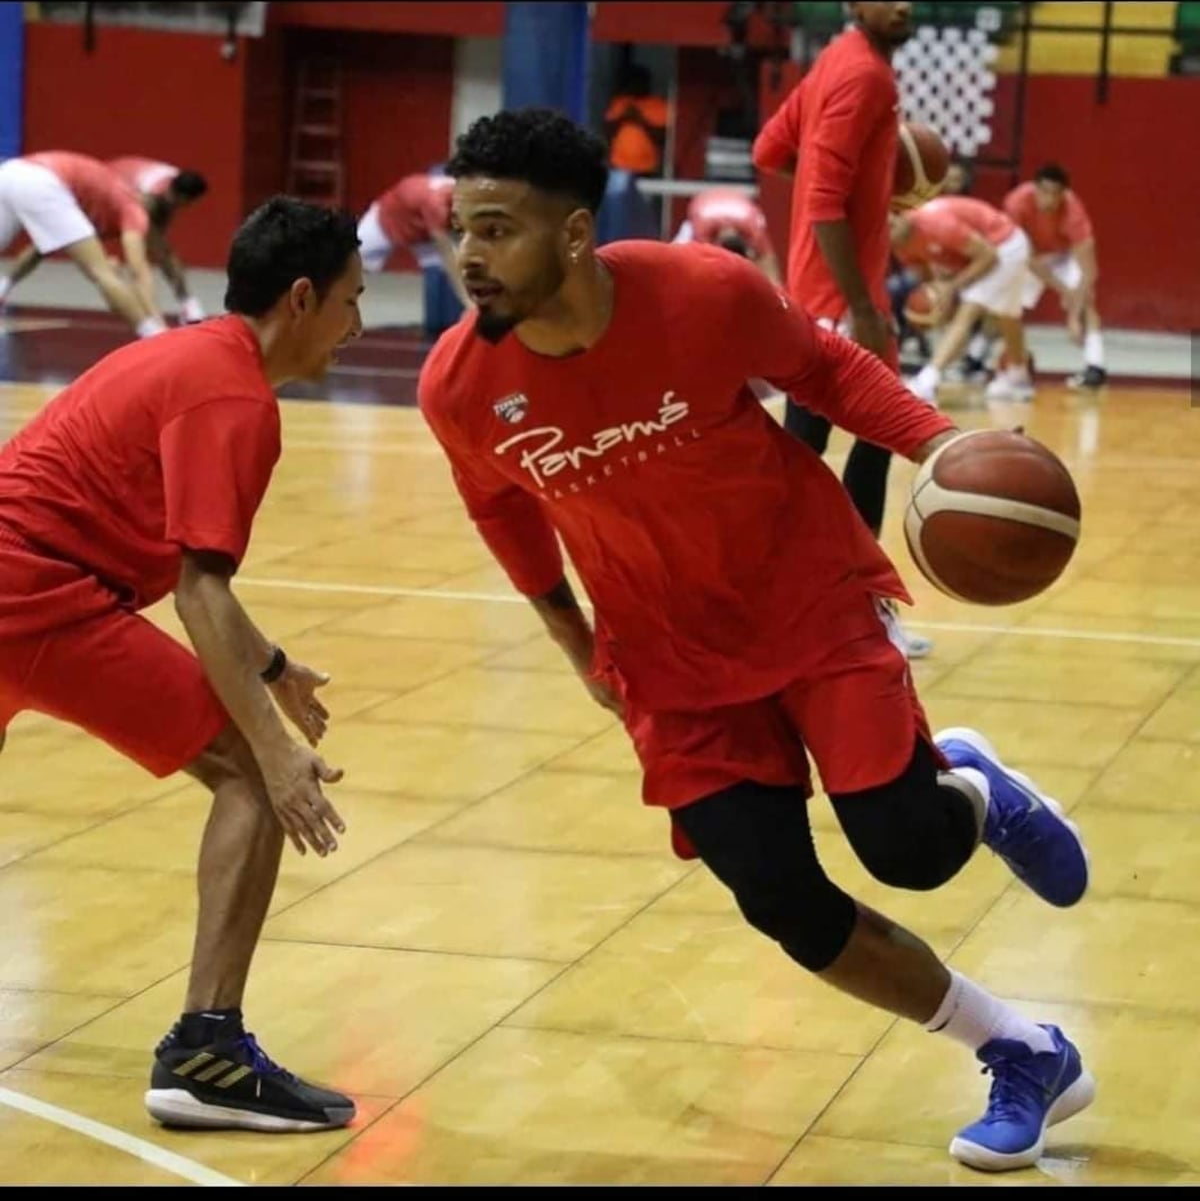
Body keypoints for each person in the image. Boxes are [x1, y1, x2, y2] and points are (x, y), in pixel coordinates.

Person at [417, 107, 1094, 1174]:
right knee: (783, 900)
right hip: (670, 663)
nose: (469, 255)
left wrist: (943, 444)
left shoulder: (701, 291)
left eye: (497, 229)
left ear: (577, 231)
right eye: (460, 227)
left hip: (805, 601)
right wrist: (572, 641)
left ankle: (970, 785)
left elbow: (827, 373)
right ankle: (1019, 1046)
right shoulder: (458, 386)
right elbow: (502, 512)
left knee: (908, 849)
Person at [0, 195, 362, 1133]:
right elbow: (199, 588)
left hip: (23, 578)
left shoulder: (194, 355)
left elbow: (191, 574)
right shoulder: (236, 397)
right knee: (247, 771)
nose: (357, 326)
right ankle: (207, 1052)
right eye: (351, 301)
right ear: (299, 297)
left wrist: (273, 665)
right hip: (34, 595)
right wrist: (275, 748)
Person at [752, 2, 931, 659]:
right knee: (877, 441)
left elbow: (769, 150)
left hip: (812, 294)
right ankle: (863, 611)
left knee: (799, 457)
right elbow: (824, 199)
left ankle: (775, 600)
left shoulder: (834, 59)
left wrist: (854, 192)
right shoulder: (865, 77)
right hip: (839, 300)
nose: (903, 4)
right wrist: (860, 305)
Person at [0, 150, 166, 338]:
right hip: (43, 180)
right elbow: (138, 271)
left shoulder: (108, 194)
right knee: (102, 273)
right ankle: (153, 335)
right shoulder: (136, 212)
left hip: (10, 172)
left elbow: (40, 248)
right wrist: (157, 318)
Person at [891, 196, 1034, 403]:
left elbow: (988, 255)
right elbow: (928, 278)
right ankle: (1018, 379)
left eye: (895, 217)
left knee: (967, 313)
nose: (892, 224)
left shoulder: (936, 224)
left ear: (905, 214)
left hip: (1005, 245)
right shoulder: (899, 244)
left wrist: (951, 289)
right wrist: (936, 299)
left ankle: (927, 381)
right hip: (991, 251)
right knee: (1008, 316)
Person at [1004, 164, 1106, 390]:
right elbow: (1027, 259)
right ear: (1034, 189)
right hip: (1030, 259)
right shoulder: (1016, 203)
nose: (1049, 199)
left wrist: (1073, 314)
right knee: (1004, 303)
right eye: (1044, 192)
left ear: (1064, 194)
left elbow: (1090, 271)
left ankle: (1095, 367)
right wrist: (1065, 291)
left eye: (1055, 194)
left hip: (1063, 255)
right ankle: (980, 358)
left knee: (1087, 299)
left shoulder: (1074, 212)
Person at [108, 156, 211, 325]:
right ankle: (150, 314)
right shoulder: (148, 196)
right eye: (179, 202)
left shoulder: (176, 183)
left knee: (162, 249)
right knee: (143, 256)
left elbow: (162, 245)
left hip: (134, 186)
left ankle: (187, 301)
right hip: (114, 184)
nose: (181, 207)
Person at [356, 171, 469, 308]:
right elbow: (448, 256)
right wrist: (467, 301)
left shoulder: (460, 188)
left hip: (423, 232)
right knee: (349, 258)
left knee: (436, 270)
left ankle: (438, 323)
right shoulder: (435, 204)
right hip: (386, 220)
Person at [672, 187, 782, 283]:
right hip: (704, 211)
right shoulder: (701, 229)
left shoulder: (754, 228)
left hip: (716, 204)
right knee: (679, 260)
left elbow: (767, 259)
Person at [603, 62, 670, 177]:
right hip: (619, 166)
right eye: (632, 82)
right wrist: (623, 118)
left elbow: (663, 136)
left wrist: (640, 119)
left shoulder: (658, 105)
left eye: (639, 82)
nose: (635, 86)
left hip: (647, 168)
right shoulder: (620, 102)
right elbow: (608, 131)